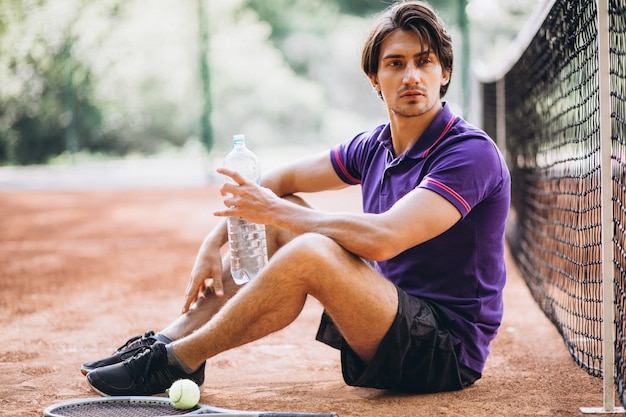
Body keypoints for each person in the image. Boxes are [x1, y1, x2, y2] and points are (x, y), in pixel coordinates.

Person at [83, 0, 510, 396]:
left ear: (445, 73)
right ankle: (166, 340)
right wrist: (212, 243)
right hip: (387, 315)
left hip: (444, 350)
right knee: (278, 220)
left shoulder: (469, 153)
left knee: (308, 247)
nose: (412, 76)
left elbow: (386, 237)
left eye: (424, 61)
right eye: (395, 64)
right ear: (375, 79)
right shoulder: (376, 145)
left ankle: (177, 360)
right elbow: (278, 180)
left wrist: (279, 210)